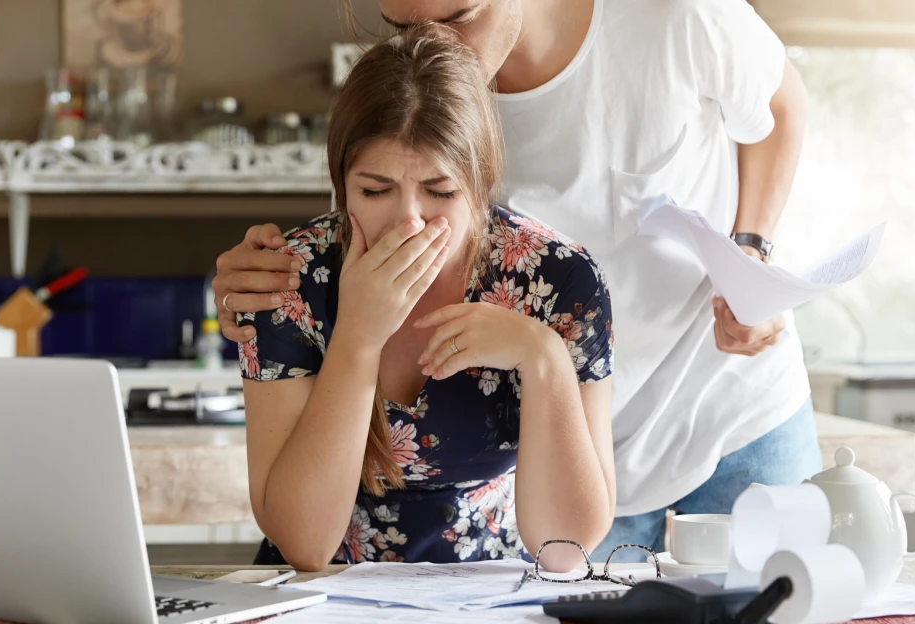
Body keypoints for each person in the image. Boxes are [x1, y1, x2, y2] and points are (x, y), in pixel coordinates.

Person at [215, 0, 820, 557]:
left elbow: (780, 105)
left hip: (719, 396)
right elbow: (302, 540)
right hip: (583, 444)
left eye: (457, 17)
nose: (431, 47)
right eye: (404, 29)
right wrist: (292, 315)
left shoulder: (674, 16)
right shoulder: (412, 106)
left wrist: (751, 255)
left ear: (479, 183)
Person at [238, 25, 616, 571]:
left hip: (492, 593)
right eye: (374, 190)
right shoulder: (287, 281)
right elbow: (303, 545)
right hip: (324, 597)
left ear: (482, 182)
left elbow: (567, 549)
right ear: (340, 182)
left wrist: (544, 357)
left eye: (440, 192)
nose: (407, 220)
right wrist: (358, 337)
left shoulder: (560, 282)